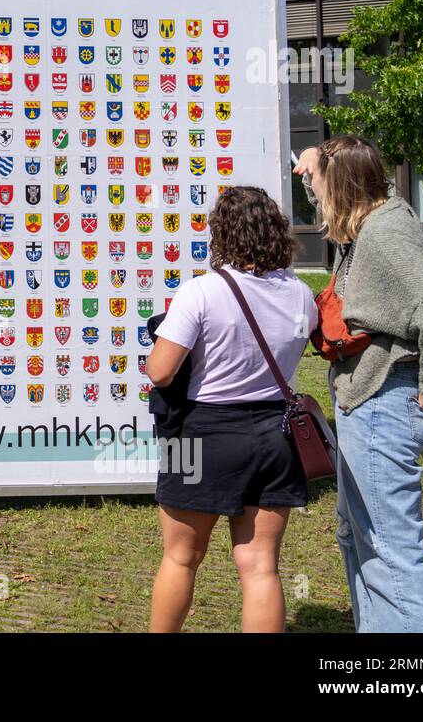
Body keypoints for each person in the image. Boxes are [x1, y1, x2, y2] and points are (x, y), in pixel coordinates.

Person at [294, 136, 423, 632]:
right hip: (370, 399)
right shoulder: (373, 217)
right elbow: (339, 217)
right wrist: (313, 166)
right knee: (359, 536)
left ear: (344, 186)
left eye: (322, 185)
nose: (318, 196)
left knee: (391, 549)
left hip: (384, 402)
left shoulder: (384, 235)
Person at [145, 186, 318, 632]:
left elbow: (161, 372)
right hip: (276, 435)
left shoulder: (201, 291)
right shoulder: (301, 294)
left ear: (221, 234)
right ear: (277, 230)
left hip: (202, 434)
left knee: (181, 558)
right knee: (261, 567)